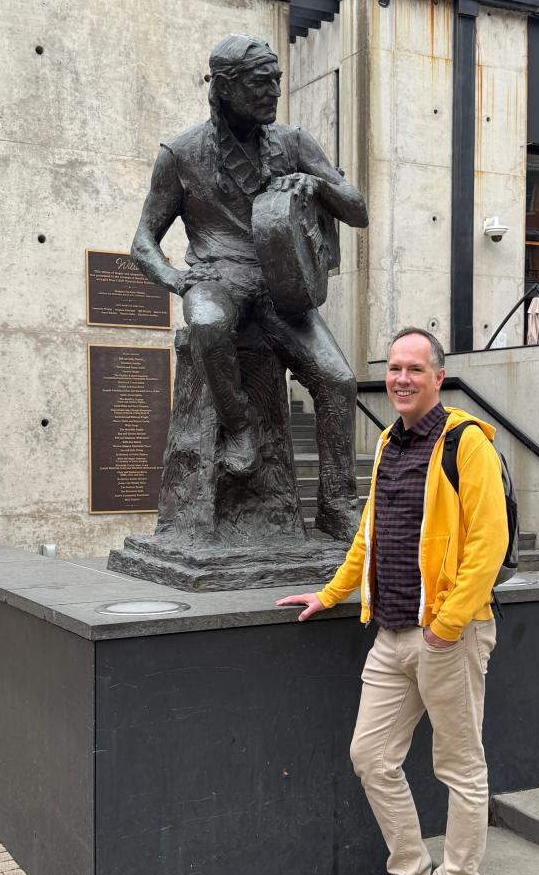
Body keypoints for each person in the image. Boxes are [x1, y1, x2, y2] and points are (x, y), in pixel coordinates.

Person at [277, 327, 508, 875]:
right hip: (391, 633)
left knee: (459, 768)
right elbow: (369, 535)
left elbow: (490, 545)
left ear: (438, 377)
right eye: (395, 368)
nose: (402, 378)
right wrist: (330, 593)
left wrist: (448, 623)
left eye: (415, 368)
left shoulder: (466, 446)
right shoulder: (386, 443)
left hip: (447, 637)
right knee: (371, 756)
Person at [131, 33, 368, 540]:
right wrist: (176, 278)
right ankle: (239, 428)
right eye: (261, 83)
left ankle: (337, 505)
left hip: (282, 285)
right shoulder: (182, 153)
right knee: (209, 323)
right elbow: (142, 241)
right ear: (224, 86)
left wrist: (317, 185)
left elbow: (357, 209)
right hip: (218, 273)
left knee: (338, 381)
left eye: (276, 81)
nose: (273, 92)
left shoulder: (294, 141)